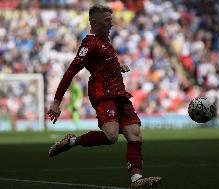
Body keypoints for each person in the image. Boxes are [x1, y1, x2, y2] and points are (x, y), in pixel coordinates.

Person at [47, 4, 162, 188]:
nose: (111, 24)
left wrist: (119, 66)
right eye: (107, 21)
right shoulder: (89, 43)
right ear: (94, 22)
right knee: (111, 136)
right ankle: (72, 141)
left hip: (120, 94)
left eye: (111, 20)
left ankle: (136, 179)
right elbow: (71, 71)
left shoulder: (106, 41)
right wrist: (56, 101)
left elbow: (103, 64)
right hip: (103, 94)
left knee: (135, 135)